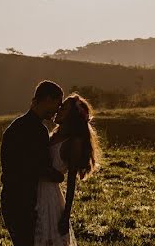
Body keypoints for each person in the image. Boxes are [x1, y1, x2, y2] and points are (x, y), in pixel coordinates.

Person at [0, 80, 65, 246]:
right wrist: (58, 175)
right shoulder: (38, 131)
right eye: (57, 104)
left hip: (10, 199)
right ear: (48, 99)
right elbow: (37, 167)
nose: (57, 110)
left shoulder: (15, 127)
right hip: (24, 202)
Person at [34, 93, 101, 246]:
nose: (58, 111)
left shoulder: (73, 142)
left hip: (50, 197)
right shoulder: (54, 135)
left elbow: (71, 181)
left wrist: (66, 215)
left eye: (63, 109)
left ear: (71, 116)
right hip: (37, 191)